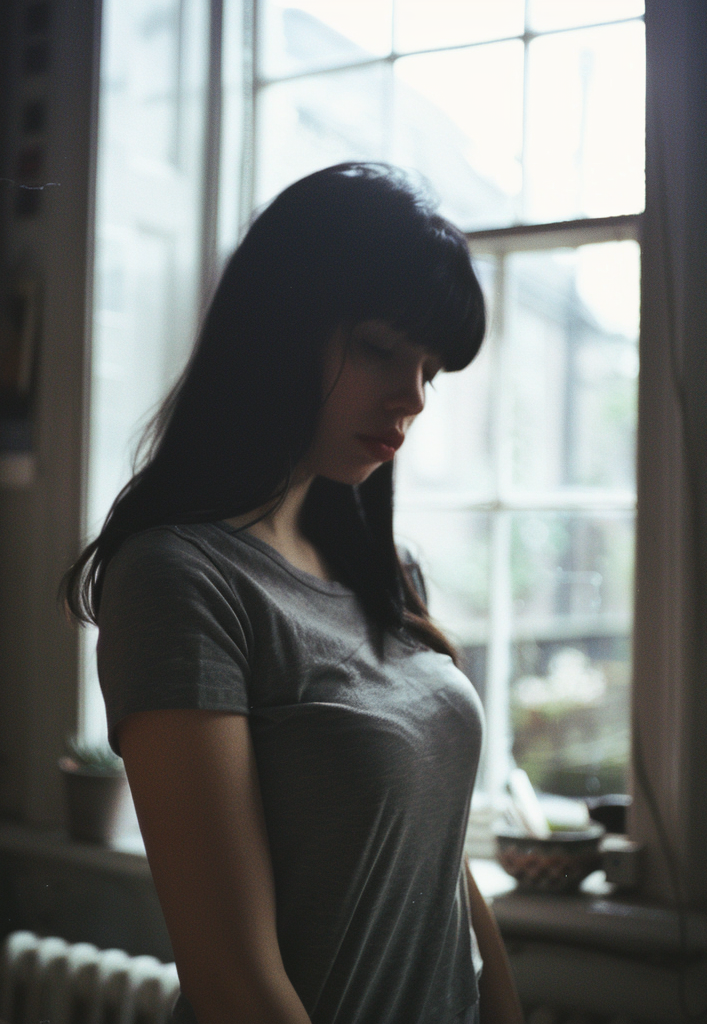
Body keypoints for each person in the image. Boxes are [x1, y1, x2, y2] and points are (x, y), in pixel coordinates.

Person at [63, 163, 524, 1024]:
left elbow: (440, 866)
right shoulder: (180, 579)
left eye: (432, 368)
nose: (413, 397)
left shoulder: (383, 572)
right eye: (383, 348)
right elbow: (235, 980)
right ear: (278, 331)